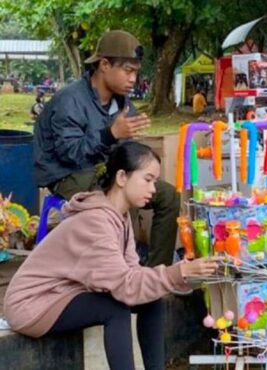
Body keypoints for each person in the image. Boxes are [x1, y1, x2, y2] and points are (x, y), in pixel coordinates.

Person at [4, 141, 221, 370]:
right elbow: (126, 287)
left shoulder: (120, 216)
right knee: (114, 309)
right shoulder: (96, 223)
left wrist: (178, 275)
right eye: (147, 180)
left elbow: (132, 272)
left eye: (154, 181)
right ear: (122, 178)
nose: (154, 189)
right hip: (33, 303)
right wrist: (178, 272)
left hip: (64, 293)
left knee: (151, 298)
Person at [33, 30, 180, 267]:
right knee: (122, 192)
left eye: (136, 72)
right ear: (104, 65)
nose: (133, 79)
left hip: (104, 170)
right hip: (67, 173)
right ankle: (120, 272)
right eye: (128, 70)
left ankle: (155, 274)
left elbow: (125, 153)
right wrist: (110, 134)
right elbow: (70, 153)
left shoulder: (121, 103)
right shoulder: (70, 100)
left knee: (168, 195)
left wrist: (141, 162)